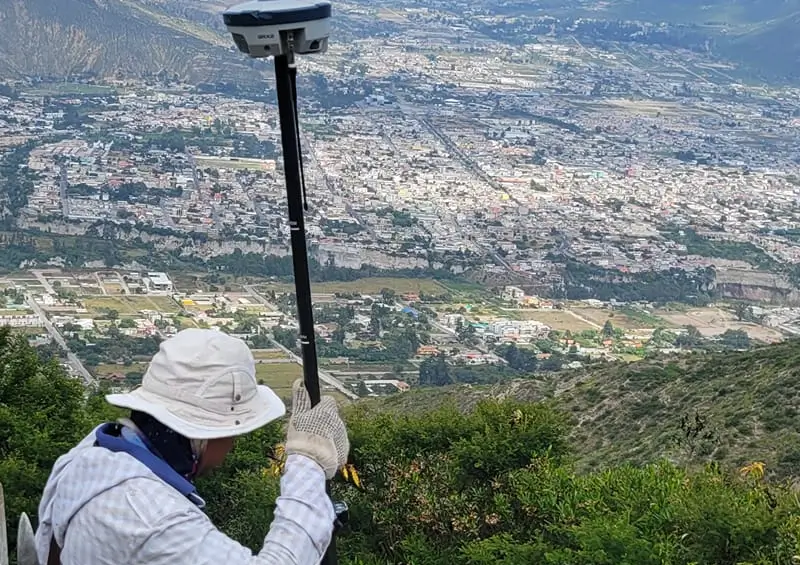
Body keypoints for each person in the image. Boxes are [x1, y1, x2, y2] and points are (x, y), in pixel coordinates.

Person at [35, 328, 350, 565]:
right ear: (199, 437)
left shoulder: (93, 452)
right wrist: (307, 461)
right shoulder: (152, 519)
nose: (232, 446)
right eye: (230, 433)